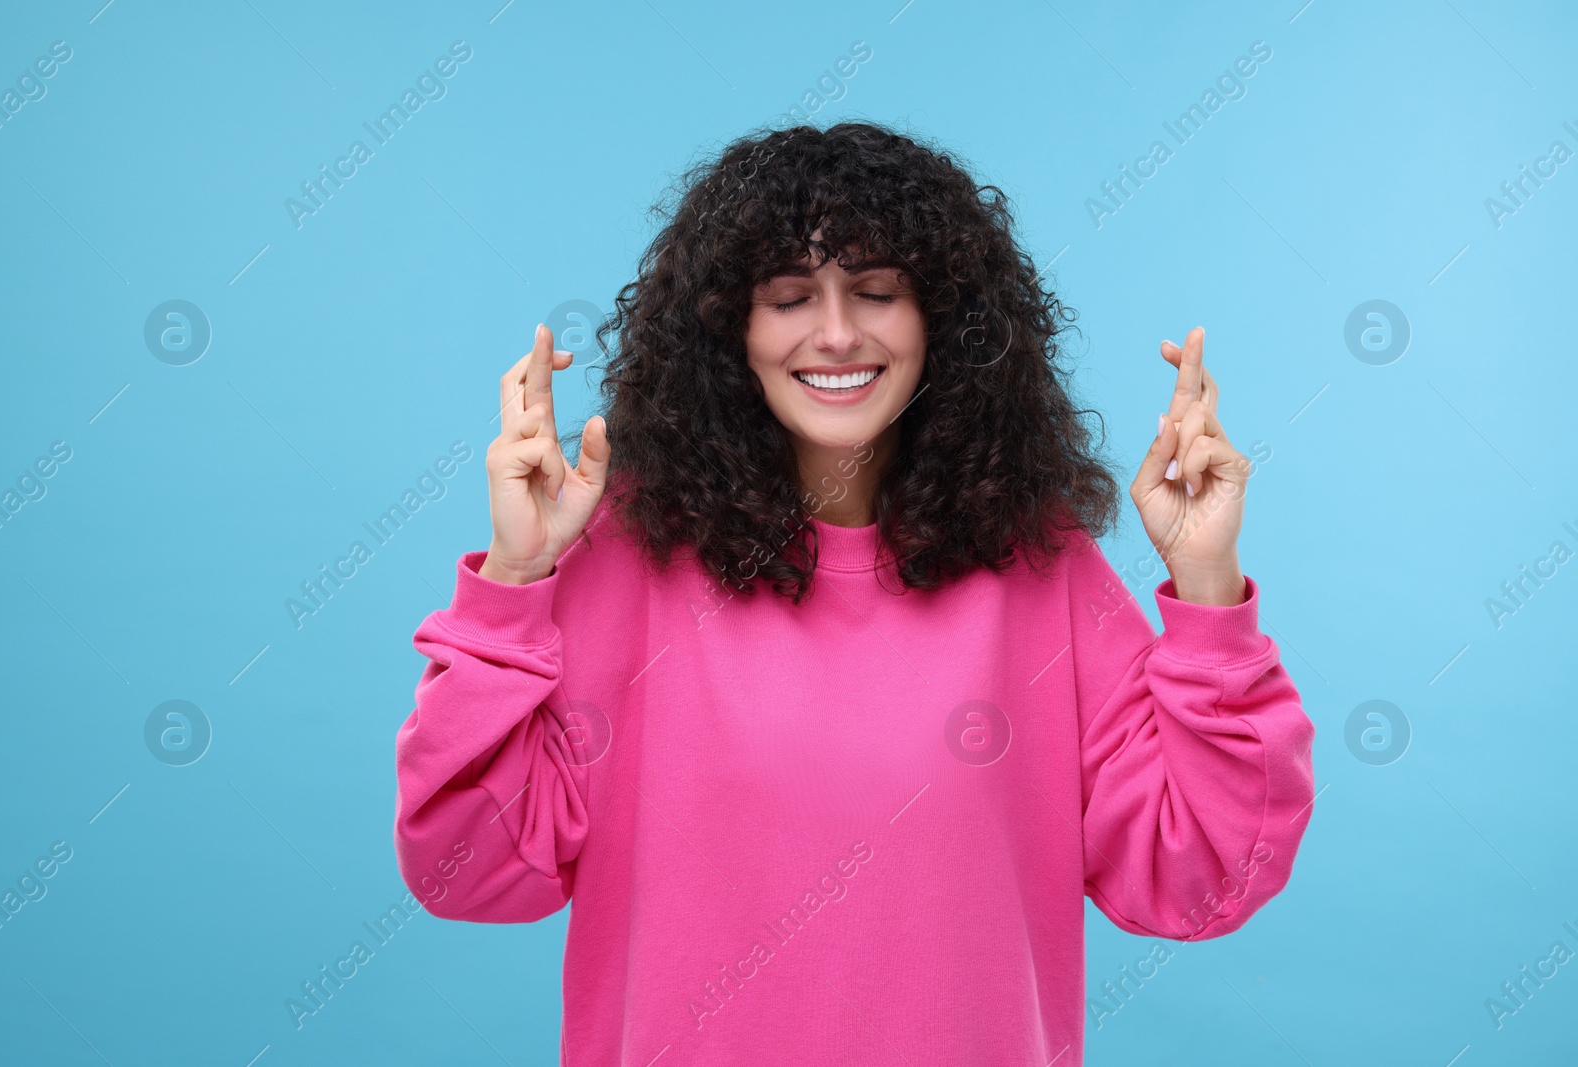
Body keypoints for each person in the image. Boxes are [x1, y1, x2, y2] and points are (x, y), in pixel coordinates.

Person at [393, 120, 1316, 1066]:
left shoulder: (1036, 566)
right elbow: (463, 868)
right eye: (790, 297)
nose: (837, 333)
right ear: (730, 331)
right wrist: (514, 582)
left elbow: (1206, 875)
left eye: (877, 291)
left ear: (943, 322)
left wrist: (1207, 591)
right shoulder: (628, 554)